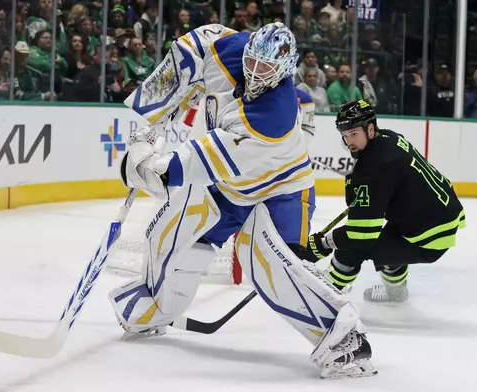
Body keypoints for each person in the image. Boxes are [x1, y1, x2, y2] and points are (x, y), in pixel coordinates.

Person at [108, 23, 376, 379]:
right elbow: (193, 45)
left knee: (266, 263)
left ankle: (343, 335)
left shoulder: (272, 117)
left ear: (284, 69)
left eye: (265, 68)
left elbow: (194, 163)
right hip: (231, 186)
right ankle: (157, 307)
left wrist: (149, 168)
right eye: (251, 60)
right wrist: (157, 107)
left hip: (281, 190)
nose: (253, 71)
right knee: (168, 234)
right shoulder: (231, 49)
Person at [305, 100, 466, 303]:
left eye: (354, 134)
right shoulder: (389, 137)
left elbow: (360, 235)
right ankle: (396, 293)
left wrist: (321, 244)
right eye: (345, 136)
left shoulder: (373, 168)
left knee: (354, 247)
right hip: (433, 215)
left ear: (370, 129)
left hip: (428, 236)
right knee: (387, 244)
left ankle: (327, 292)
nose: (349, 142)